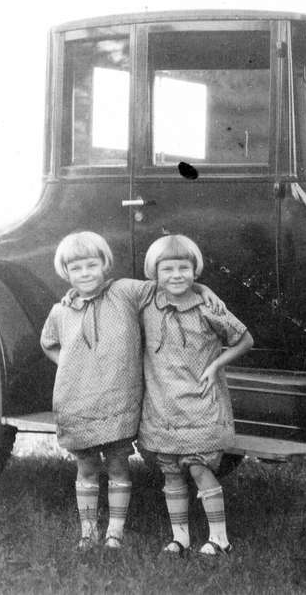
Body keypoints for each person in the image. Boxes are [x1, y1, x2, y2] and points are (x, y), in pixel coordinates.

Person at [39, 231, 222, 552]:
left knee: (117, 464)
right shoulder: (61, 310)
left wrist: (203, 288)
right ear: (66, 272)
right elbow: (49, 343)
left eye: (91, 265)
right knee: (86, 466)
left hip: (117, 398)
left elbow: (167, 284)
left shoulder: (124, 292)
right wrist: (73, 366)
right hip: (77, 401)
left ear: (104, 264)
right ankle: (87, 531)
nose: (85, 273)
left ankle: (115, 532)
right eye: (77, 268)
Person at [138, 234, 253, 557]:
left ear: (195, 269)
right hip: (162, 405)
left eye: (184, 268)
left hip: (199, 402)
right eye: (168, 269)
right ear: (155, 273)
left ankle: (220, 538)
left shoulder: (207, 307)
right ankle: (181, 537)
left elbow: (244, 339)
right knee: (171, 472)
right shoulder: (148, 301)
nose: (176, 275)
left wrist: (216, 365)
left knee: (200, 469)